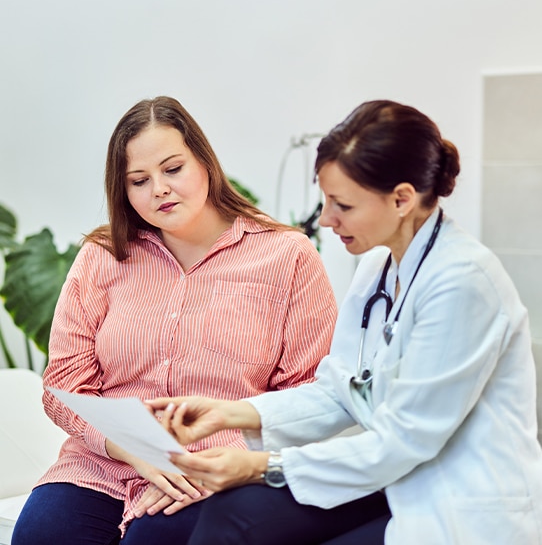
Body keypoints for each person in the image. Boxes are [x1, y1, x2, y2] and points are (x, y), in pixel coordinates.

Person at [148, 99, 542, 544]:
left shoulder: (464, 283)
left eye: (342, 205)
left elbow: (404, 440)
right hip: (394, 476)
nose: (326, 219)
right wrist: (227, 413)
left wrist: (260, 466)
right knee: (235, 514)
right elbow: (341, 391)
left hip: (456, 499)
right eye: (325, 200)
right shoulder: (378, 268)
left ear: (402, 199)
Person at [12, 96, 337, 545]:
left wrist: (229, 460)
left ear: (204, 163)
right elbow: (64, 383)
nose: (159, 189)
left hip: (213, 467)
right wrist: (132, 450)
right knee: (41, 535)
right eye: (139, 180)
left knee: (155, 539)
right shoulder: (102, 256)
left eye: (173, 169)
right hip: (104, 462)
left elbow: (309, 391)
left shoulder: (288, 256)